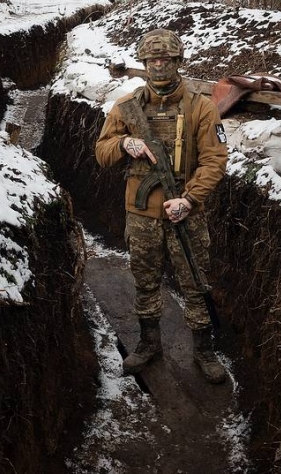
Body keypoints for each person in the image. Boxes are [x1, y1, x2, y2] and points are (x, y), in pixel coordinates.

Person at [95, 28, 229, 384]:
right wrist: (125, 144)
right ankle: (149, 342)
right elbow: (101, 151)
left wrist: (189, 199)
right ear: (143, 63)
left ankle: (203, 349)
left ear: (178, 61)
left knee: (195, 283)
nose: (159, 65)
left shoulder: (202, 107)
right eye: (152, 59)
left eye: (166, 59)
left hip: (186, 213)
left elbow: (215, 160)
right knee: (145, 281)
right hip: (141, 216)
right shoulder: (126, 108)